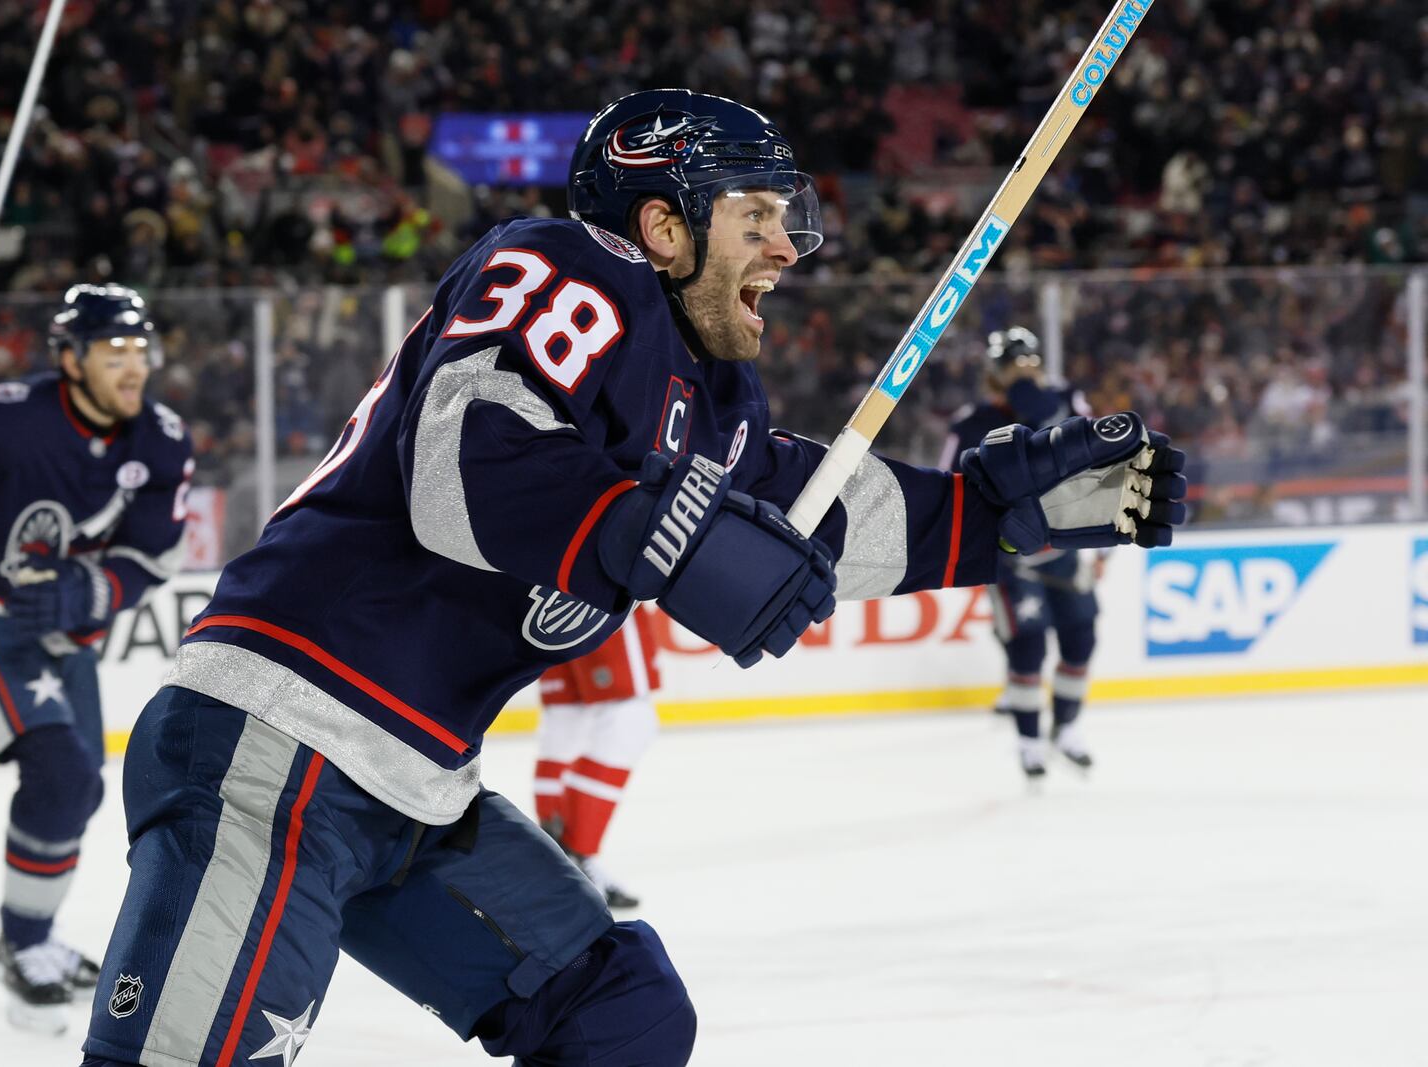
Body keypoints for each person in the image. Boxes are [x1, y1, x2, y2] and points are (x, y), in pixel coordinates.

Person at [79, 89, 1185, 1067]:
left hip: (413, 783)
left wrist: (995, 517)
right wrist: (637, 528)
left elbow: (816, 511)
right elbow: (461, 458)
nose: (786, 250)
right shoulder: (571, 266)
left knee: (618, 1015)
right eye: (756, 217)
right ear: (662, 225)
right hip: (279, 737)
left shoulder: (707, 404)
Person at [0, 284, 195, 1034]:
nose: (133, 366)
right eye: (114, 350)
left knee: (77, 790)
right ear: (71, 358)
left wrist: (89, 590)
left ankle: (29, 938)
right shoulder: (11, 414)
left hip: (59, 632)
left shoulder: (163, 437)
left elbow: (154, 553)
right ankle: (23, 946)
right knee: (61, 772)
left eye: (140, 349)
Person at [938, 326, 1102, 780]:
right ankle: (1029, 741)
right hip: (1011, 557)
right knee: (1027, 648)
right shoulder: (972, 421)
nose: (1025, 371)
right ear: (995, 372)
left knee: (1081, 639)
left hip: (1066, 547)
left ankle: (1066, 728)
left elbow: (1096, 455)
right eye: (1014, 364)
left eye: (1030, 362)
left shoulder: (1067, 398)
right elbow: (946, 483)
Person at [534, 606, 661, 909]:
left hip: (546, 590)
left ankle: (550, 859)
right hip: (603, 583)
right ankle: (575, 855)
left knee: (566, 722)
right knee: (629, 717)